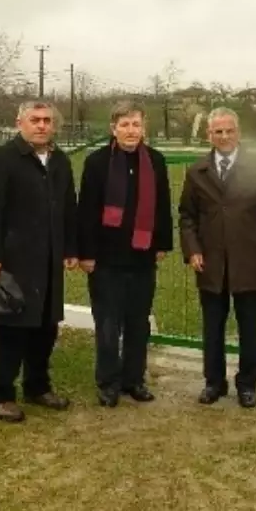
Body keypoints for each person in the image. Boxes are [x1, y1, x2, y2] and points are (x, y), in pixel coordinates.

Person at [0, 100, 79, 423]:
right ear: (19, 122)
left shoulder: (60, 161)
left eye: (47, 120)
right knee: (12, 328)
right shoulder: (2, 160)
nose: (42, 125)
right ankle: (2, 393)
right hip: (14, 259)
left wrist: (70, 247)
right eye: (35, 120)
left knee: (46, 326)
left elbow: (69, 208)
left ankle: (38, 385)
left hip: (49, 260)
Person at [178, 107, 256, 408]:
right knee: (212, 327)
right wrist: (193, 249)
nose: (224, 137)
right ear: (208, 135)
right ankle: (214, 382)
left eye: (229, 131)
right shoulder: (197, 171)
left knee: (249, 327)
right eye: (218, 132)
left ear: (238, 132)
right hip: (210, 263)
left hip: (247, 260)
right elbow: (187, 216)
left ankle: (248, 384)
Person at [77, 100, 173, 407]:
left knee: (137, 322)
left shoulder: (155, 161)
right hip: (106, 259)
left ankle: (134, 379)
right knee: (108, 323)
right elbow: (87, 211)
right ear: (113, 128)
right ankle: (108, 382)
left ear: (144, 128)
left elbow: (162, 206)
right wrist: (86, 254)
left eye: (136, 124)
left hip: (142, 257)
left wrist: (162, 244)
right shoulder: (96, 163)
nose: (131, 131)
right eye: (125, 125)